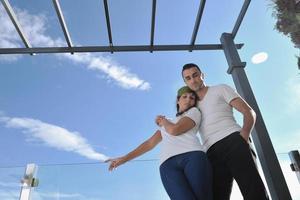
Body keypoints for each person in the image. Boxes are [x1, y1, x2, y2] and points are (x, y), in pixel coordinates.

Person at [181, 63, 269, 200]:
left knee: (254, 191)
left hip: (234, 141)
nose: (193, 80)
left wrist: (243, 136)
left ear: (202, 75)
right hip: (210, 152)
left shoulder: (220, 89)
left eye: (195, 75)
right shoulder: (191, 107)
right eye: (188, 78)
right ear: (185, 82)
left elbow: (249, 112)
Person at [107, 86, 212, 200]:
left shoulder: (194, 112)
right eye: (184, 96)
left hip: (192, 157)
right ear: (178, 100)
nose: (188, 99)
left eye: (192, 98)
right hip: (167, 165)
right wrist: (124, 159)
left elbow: (174, 130)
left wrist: (163, 121)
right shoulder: (166, 124)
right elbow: (149, 144)